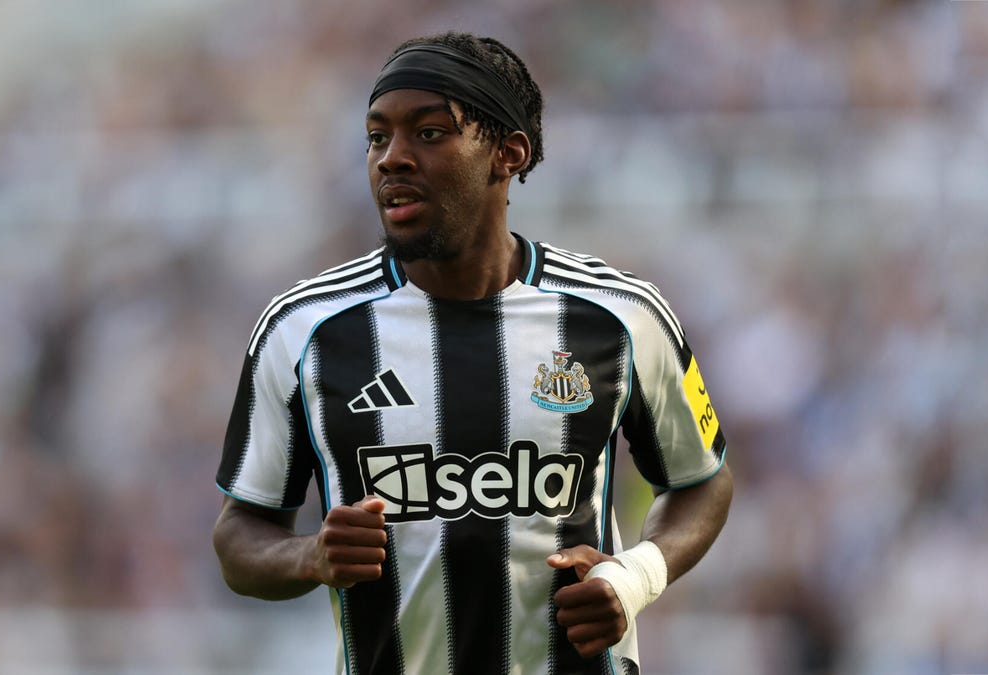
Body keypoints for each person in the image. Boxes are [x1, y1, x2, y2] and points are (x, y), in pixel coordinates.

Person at [213, 31, 733, 675]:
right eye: (377, 137)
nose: (391, 159)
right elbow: (239, 535)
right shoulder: (303, 329)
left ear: (508, 154)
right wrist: (309, 556)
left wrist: (636, 577)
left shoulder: (621, 317)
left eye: (429, 133)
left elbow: (701, 480)